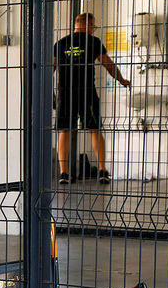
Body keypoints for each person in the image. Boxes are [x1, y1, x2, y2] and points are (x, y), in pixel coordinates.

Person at [53, 14, 129, 182]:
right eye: (93, 26)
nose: (93, 29)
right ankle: (102, 170)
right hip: (87, 92)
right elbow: (109, 65)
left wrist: (51, 95)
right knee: (94, 129)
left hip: (65, 93)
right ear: (87, 24)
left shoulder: (61, 43)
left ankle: (64, 173)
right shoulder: (93, 42)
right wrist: (122, 80)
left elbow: (48, 69)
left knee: (65, 130)